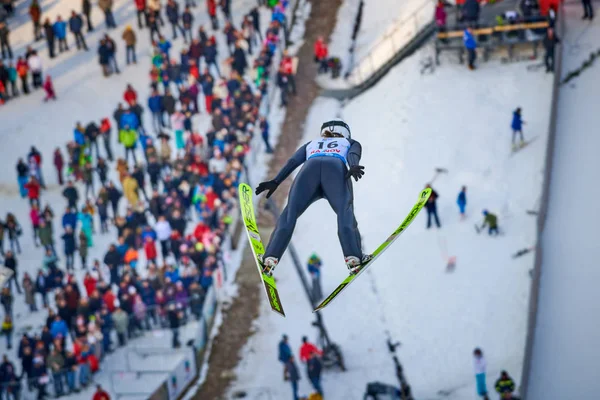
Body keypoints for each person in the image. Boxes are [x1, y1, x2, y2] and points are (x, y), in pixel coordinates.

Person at [255, 119, 369, 276]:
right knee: (345, 212)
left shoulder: (312, 143)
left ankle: (270, 259)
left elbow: (293, 161)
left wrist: (276, 181)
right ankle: (354, 258)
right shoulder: (349, 141)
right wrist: (353, 165)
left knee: (290, 214)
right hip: (335, 170)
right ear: (345, 132)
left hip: (309, 171)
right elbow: (353, 154)